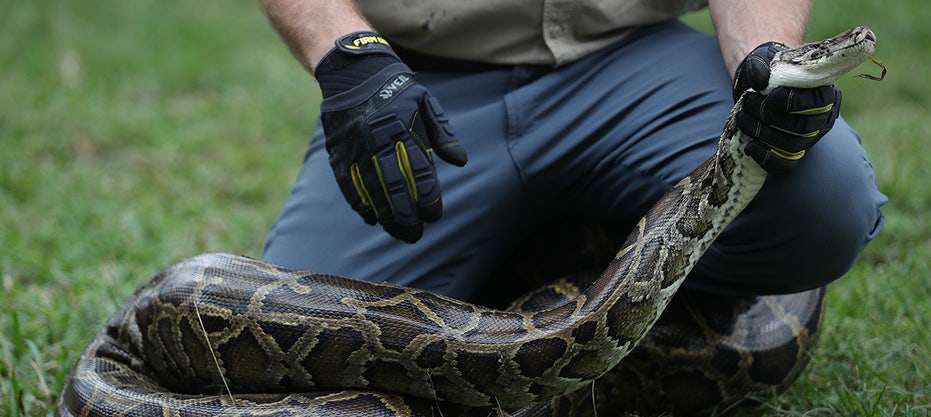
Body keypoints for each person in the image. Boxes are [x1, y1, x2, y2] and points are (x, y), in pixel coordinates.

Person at [258, 0, 886, 303]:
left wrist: (764, 58)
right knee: (295, 323)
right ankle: (571, 246)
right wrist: (345, 55)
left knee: (824, 201)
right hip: (421, 90)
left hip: (634, 65)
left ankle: (547, 258)